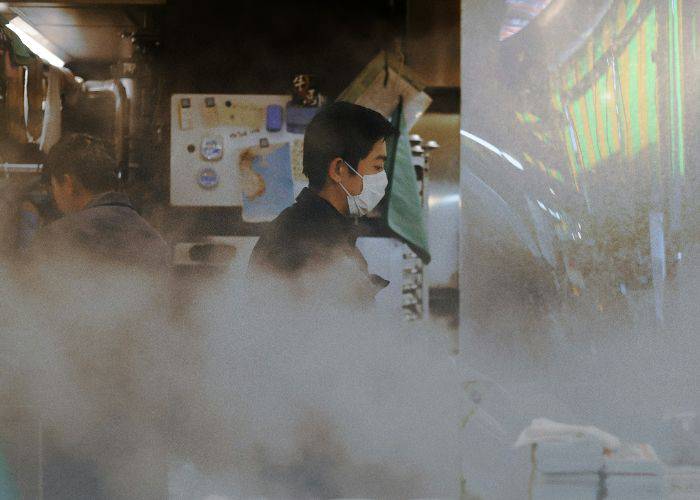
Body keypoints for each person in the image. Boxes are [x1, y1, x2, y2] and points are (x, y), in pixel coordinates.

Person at [248, 101, 396, 305]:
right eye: (377, 166)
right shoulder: (306, 241)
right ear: (338, 170)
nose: (383, 179)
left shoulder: (317, 228)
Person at [31, 133, 170, 270]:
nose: (53, 195)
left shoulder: (55, 239)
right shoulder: (154, 241)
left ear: (68, 184)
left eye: (53, 186)